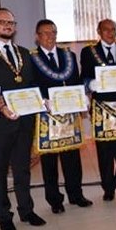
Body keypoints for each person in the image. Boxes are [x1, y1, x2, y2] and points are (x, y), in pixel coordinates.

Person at [0, 8, 46, 230]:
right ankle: (4, 216)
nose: (7, 25)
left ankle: (27, 210)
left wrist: (41, 100)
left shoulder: (24, 52)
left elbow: (30, 84)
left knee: (22, 167)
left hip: (24, 120)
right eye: (2, 21)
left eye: (11, 23)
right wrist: (1, 106)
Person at [30, 19, 93, 213]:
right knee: (49, 162)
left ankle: (76, 195)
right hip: (47, 117)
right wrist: (43, 100)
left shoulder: (69, 55)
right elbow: (30, 85)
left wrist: (83, 96)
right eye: (45, 33)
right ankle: (55, 201)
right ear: (37, 36)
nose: (50, 36)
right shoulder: (31, 58)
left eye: (53, 32)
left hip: (69, 115)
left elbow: (76, 80)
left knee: (72, 158)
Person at [80, 19, 116, 201]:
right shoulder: (88, 51)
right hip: (102, 106)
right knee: (104, 151)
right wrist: (91, 84)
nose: (110, 33)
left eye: (113, 29)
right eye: (106, 30)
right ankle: (108, 188)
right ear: (99, 31)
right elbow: (84, 77)